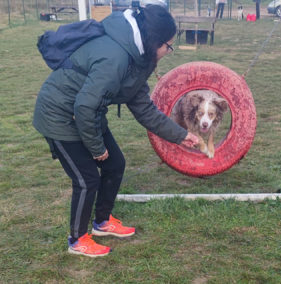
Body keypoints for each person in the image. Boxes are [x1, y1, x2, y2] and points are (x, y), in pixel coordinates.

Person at [33, 5, 199, 258]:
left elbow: (144, 109)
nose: (169, 51)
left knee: (115, 163)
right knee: (86, 179)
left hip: (88, 113)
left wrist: (180, 135)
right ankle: (77, 239)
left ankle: (102, 222)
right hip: (59, 116)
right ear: (154, 41)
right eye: (169, 46)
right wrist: (97, 148)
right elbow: (84, 106)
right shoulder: (116, 57)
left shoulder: (137, 58)